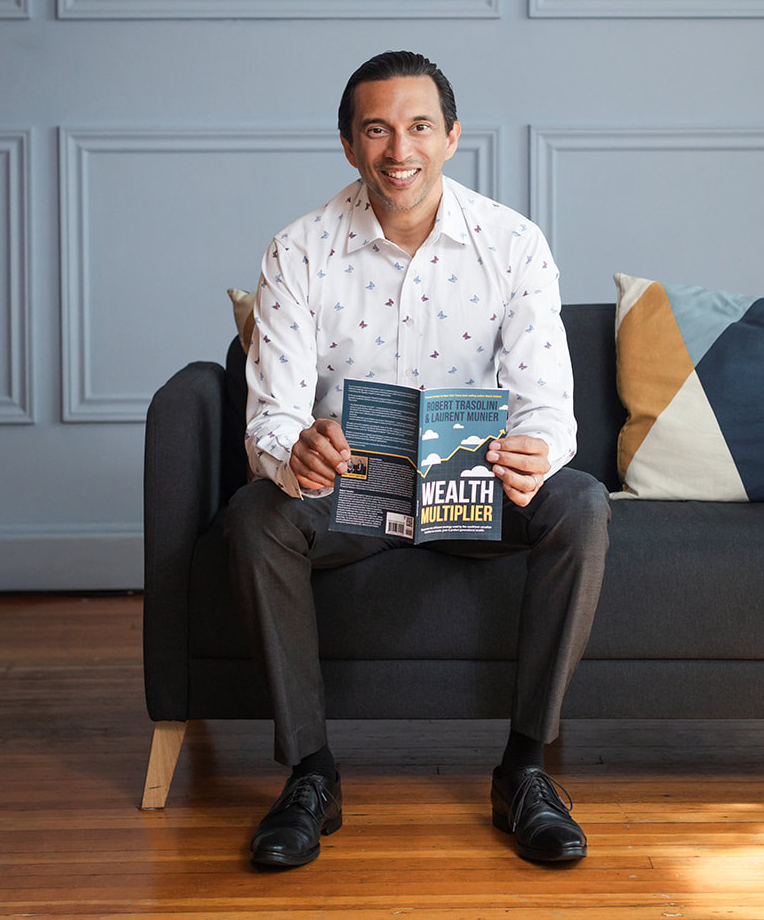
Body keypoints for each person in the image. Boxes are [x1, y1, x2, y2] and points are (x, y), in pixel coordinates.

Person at [224, 50, 610, 867]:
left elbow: (547, 402)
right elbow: (272, 417)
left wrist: (535, 452)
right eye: (377, 130)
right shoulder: (299, 250)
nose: (399, 150)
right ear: (348, 143)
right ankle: (311, 772)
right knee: (256, 514)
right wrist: (297, 449)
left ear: (452, 136)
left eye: (419, 127)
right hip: (352, 491)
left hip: (476, 487)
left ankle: (525, 769)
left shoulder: (514, 244)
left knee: (581, 503)